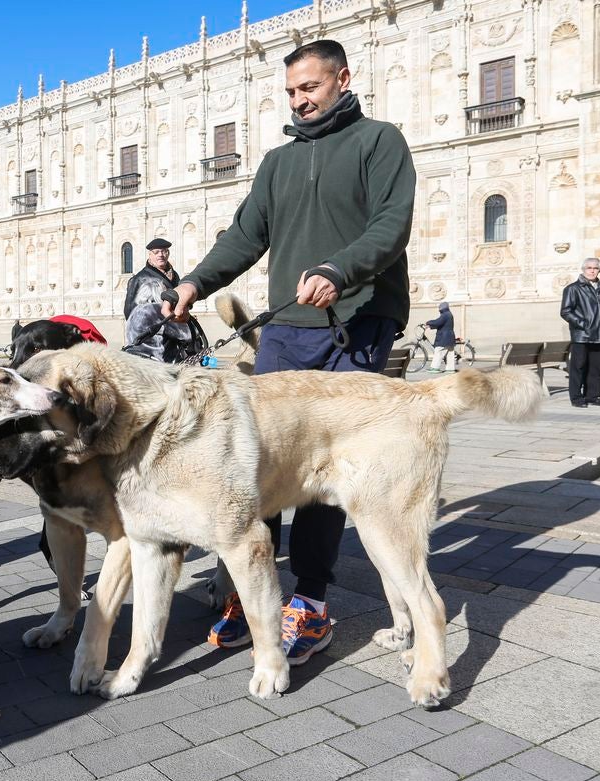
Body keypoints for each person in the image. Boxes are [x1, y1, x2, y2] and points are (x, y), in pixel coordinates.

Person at [163, 39, 415, 663]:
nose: (301, 100)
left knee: (325, 467)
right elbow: (247, 234)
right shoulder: (277, 161)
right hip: (286, 327)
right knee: (260, 457)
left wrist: (339, 268)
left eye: (311, 87)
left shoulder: (379, 142)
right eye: (293, 91)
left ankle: (313, 600)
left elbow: (392, 224)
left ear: (341, 79)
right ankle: (257, 593)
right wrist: (196, 281)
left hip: (356, 321)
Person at [123, 238, 196, 362]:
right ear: (150, 255)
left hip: (176, 333)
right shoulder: (140, 278)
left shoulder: (175, 276)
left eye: (164, 251)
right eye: (156, 252)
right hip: (153, 337)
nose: (161, 255)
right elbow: (130, 311)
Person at [560, 258, 600, 408]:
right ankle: (576, 398)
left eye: (595, 268)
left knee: (595, 368)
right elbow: (566, 311)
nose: (592, 270)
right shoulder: (573, 288)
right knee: (578, 367)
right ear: (583, 269)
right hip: (581, 335)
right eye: (589, 268)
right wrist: (584, 325)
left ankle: (592, 396)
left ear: (599, 270)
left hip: (599, 335)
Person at [425, 301, 456, 373]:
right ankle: (450, 369)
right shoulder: (449, 314)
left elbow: (438, 322)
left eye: (439, 308)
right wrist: (430, 326)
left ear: (442, 308)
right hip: (450, 337)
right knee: (449, 353)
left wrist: (428, 322)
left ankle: (435, 368)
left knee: (438, 351)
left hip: (444, 337)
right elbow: (442, 324)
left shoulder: (445, 315)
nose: (439, 309)